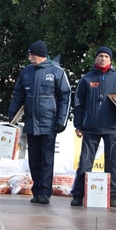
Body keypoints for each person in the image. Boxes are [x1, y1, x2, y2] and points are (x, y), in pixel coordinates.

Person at [70, 46, 116, 207]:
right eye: (100, 56)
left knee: (113, 163)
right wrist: (78, 124)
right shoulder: (86, 79)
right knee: (85, 162)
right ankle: (78, 194)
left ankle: (113, 195)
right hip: (90, 127)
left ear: (110, 60)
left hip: (112, 127)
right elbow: (78, 103)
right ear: (95, 59)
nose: (103, 58)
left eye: (106, 56)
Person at [8, 40, 71, 205]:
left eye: (31, 54)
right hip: (31, 123)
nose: (29, 58)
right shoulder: (26, 72)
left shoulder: (57, 72)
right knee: (34, 159)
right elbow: (18, 95)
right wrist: (11, 117)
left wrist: (62, 120)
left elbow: (65, 97)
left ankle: (45, 192)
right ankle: (36, 191)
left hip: (49, 123)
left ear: (39, 55)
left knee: (46, 159)